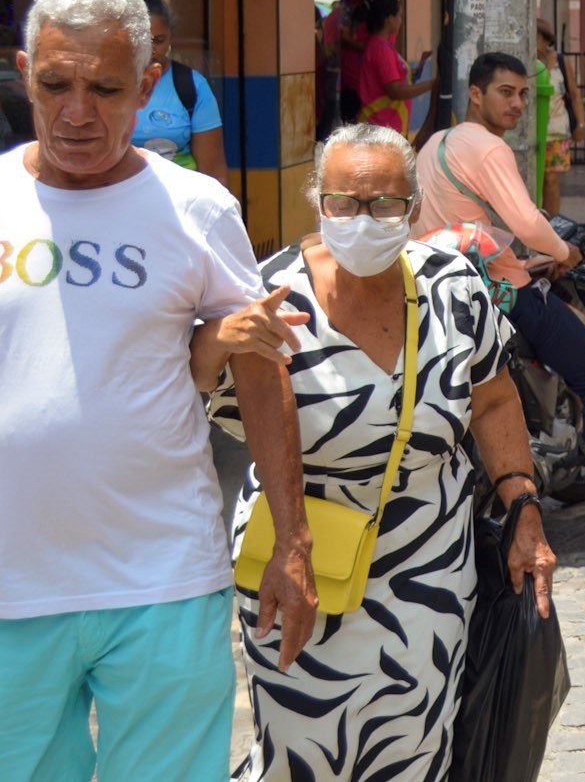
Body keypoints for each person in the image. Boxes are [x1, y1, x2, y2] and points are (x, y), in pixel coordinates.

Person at [0, 0, 317, 781]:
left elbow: (259, 363)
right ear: (22, 70)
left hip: (161, 576)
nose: (77, 112)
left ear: (147, 84)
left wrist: (293, 538)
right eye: (54, 84)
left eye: (106, 89)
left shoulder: (196, 208)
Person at [202, 123, 555, 779]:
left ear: (414, 207)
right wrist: (220, 337)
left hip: (428, 571)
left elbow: (496, 399)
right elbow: (208, 392)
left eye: (384, 204)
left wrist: (524, 507)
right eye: (345, 202)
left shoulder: (454, 287)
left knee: (416, 749)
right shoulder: (270, 293)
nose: (363, 220)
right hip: (298, 560)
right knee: (298, 756)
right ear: (319, 203)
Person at [417, 53, 585, 548]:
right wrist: (562, 250)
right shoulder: (487, 147)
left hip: (443, 289)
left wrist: (527, 248)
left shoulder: (435, 145)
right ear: (475, 94)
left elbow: (470, 222)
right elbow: (531, 223)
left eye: (522, 94)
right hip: (501, 292)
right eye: (504, 92)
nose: (516, 104)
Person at [131, 0, 232, 188]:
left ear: (170, 35)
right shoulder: (101, 84)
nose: (151, 50)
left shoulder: (191, 86)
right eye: (141, 42)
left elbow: (214, 172)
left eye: (159, 40)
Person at [322, 0, 397, 126]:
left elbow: (374, 46)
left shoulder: (382, 11)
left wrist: (346, 40)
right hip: (341, 84)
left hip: (360, 91)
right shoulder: (359, 3)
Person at [349, 0, 433, 134]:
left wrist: (414, 72)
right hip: (382, 126)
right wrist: (431, 84)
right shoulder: (381, 49)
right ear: (389, 19)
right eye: (399, 15)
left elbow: (394, 80)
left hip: (386, 126)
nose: (401, 20)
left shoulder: (381, 45)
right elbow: (395, 91)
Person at [535, 20, 583, 214]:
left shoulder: (561, 62)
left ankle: (552, 223)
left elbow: (575, 94)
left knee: (551, 180)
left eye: (537, 37)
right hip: (532, 132)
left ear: (546, 39)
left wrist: (580, 124)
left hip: (556, 130)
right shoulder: (525, 62)